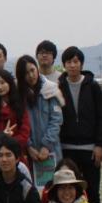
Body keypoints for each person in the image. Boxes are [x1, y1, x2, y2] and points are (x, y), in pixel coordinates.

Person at [57, 46, 102, 203]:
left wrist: (99, 144)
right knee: (71, 192)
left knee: (93, 191)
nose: (72, 65)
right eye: (68, 62)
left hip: (90, 149)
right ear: (64, 65)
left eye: (76, 61)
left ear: (81, 64)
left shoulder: (92, 86)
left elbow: (101, 117)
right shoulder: (59, 87)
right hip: (67, 148)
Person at [16, 55, 64, 188]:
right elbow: (19, 123)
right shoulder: (19, 95)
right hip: (30, 154)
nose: (31, 75)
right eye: (26, 73)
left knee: (54, 188)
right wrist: (29, 146)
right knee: (32, 189)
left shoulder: (51, 89)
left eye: (32, 70)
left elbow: (56, 120)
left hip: (51, 150)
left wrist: (46, 145)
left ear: (37, 68)